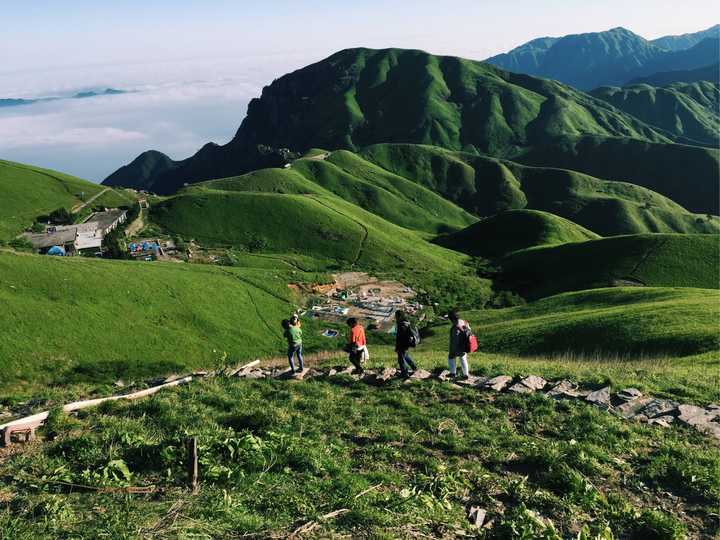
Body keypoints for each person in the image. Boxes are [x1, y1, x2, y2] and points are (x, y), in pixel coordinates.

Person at [448, 310, 471, 379]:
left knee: (451, 357)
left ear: (452, 319)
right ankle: (466, 374)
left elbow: (455, 339)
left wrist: (452, 349)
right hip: (465, 344)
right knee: (463, 358)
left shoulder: (455, 326)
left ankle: (453, 373)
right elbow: (469, 330)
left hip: (457, 345)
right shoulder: (463, 322)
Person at [394, 310, 417, 378]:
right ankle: (414, 367)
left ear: (399, 316)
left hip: (402, 344)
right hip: (406, 344)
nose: (395, 317)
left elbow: (399, 337)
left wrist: (397, 347)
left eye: (396, 316)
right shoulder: (406, 323)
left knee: (401, 360)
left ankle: (404, 373)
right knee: (406, 356)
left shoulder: (401, 325)